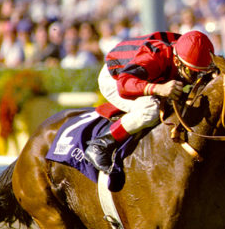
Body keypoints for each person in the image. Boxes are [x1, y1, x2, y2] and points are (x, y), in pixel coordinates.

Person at [84, 30, 215, 173]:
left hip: (147, 74)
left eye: (200, 72)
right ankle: (100, 144)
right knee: (151, 108)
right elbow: (124, 85)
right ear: (177, 61)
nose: (196, 77)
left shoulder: (186, 52)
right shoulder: (154, 55)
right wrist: (158, 89)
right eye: (192, 72)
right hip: (117, 78)